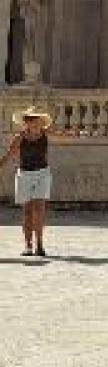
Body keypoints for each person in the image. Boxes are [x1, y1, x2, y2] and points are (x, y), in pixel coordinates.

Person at [2, 105, 77, 257]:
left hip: (42, 174)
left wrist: (75, 133)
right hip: (24, 174)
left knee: (39, 209)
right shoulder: (19, 137)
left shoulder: (45, 134)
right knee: (27, 211)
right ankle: (28, 245)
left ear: (40, 122)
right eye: (30, 120)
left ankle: (40, 244)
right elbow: (10, 155)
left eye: (35, 120)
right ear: (26, 122)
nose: (33, 122)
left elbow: (62, 135)